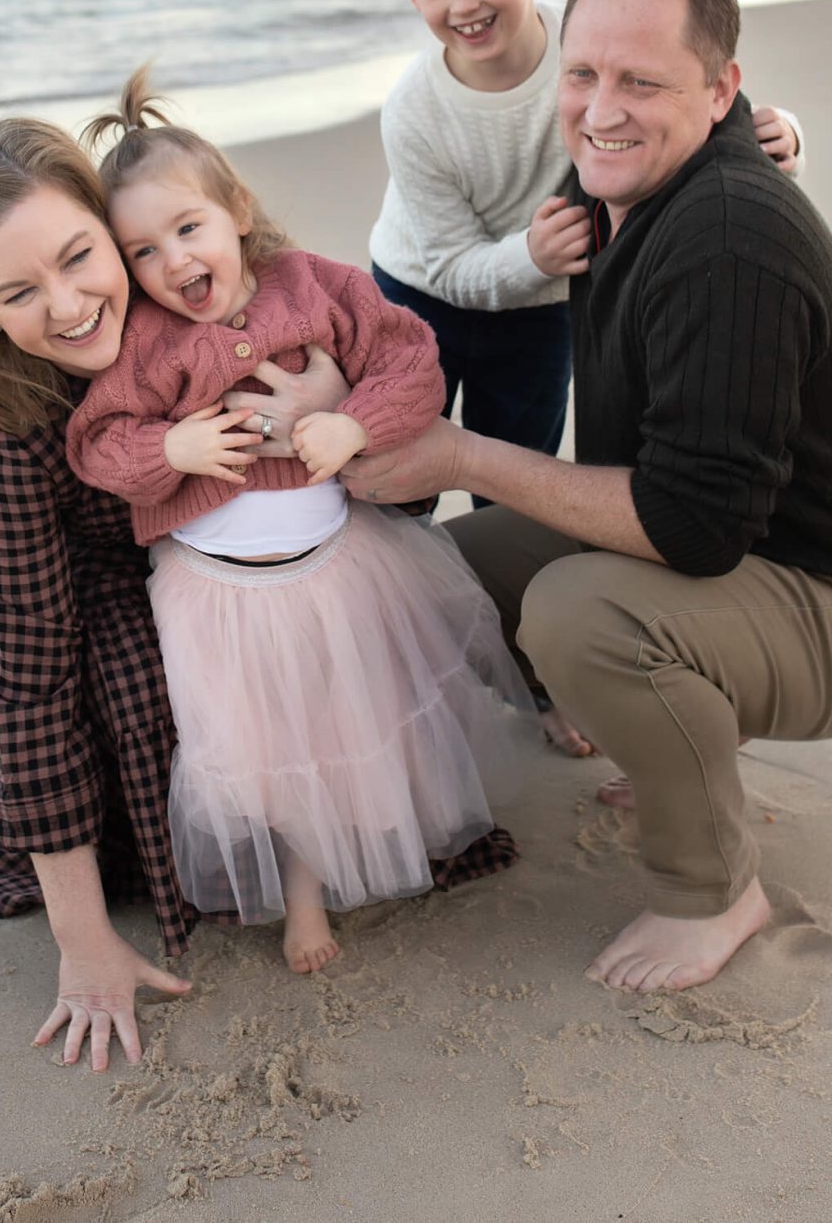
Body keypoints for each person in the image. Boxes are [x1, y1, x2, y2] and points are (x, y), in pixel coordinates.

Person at [347, 0, 832, 996]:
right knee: (447, 567)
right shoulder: (610, 183)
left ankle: (713, 889)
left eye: (641, 80)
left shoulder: (728, 234)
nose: (600, 107)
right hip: (750, 548)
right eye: (583, 73)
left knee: (578, 614)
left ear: (721, 93)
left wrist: (461, 450)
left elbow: (692, 525)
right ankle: (680, 737)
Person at [0, 115, 352, 1070]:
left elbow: (381, 443)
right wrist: (80, 939)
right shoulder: (1, 413)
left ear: (119, 230)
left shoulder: (199, 287)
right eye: (21, 293)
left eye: (82, 257)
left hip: (252, 546)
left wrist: (327, 404)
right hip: (105, 588)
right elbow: (23, 658)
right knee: (145, 683)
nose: (70, 307)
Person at [67, 73, 531, 976]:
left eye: (187, 229)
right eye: (143, 253)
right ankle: (301, 896)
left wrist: (354, 418)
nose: (172, 263)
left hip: (339, 568)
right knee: (261, 750)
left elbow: (413, 363)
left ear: (237, 209)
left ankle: (346, 858)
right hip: (217, 595)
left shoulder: (317, 285)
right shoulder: (147, 344)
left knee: (342, 725)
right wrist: (176, 448)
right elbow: (98, 445)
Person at [368, 0, 802, 513]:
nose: (463, 3)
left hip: (541, 308)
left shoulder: (582, 50)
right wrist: (529, 257)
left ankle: (497, 601)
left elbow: (679, 101)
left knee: (514, 477)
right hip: (421, 292)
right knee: (400, 474)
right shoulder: (413, 112)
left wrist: (781, 135)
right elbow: (450, 263)